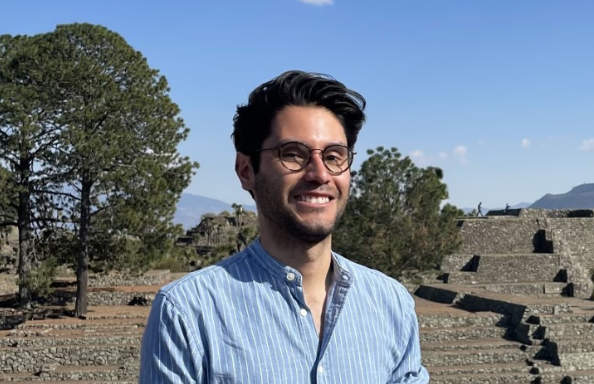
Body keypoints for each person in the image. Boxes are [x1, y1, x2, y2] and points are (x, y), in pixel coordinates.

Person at [139, 70, 429, 383]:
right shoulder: (187, 313)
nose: (319, 174)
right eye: (293, 154)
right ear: (246, 170)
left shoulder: (391, 304)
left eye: (334, 156)